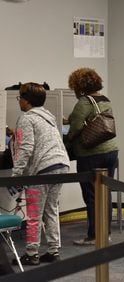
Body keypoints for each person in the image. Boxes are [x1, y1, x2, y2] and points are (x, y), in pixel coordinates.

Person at [10, 83, 70, 265]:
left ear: (26, 101)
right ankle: (53, 250)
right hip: (61, 164)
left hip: (42, 169)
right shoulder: (48, 116)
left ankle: (32, 253)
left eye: (19, 98)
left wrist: (17, 175)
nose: (19, 101)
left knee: (34, 213)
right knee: (51, 210)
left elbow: (25, 148)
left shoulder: (26, 118)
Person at [66, 68, 118, 246]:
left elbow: (76, 128)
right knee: (105, 193)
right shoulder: (104, 99)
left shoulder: (84, 101)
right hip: (111, 151)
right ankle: (106, 233)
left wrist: (68, 136)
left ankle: (94, 236)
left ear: (78, 85)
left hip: (91, 154)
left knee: (91, 195)